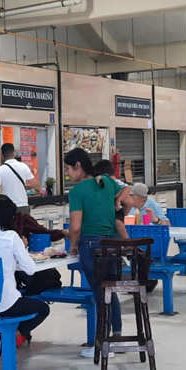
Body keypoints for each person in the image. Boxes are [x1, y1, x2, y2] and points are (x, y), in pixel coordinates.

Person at [65, 148, 124, 358]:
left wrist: (73, 243)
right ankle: (116, 337)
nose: (68, 174)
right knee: (110, 290)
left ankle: (103, 343)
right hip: (112, 243)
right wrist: (116, 206)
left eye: (68, 169)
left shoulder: (77, 192)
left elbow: (75, 226)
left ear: (78, 166)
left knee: (99, 293)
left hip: (91, 245)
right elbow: (126, 195)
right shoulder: (106, 182)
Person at [0, 195, 50, 348]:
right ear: (11, 217)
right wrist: (23, 247)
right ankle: (12, 336)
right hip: (6, 304)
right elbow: (30, 270)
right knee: (43, 309)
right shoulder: (12, 237)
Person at [0, 143, 41, 213]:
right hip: (23, 206)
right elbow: (36, 185)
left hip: (8, 207)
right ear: (13, 153)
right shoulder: (23, 166)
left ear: (2, 155)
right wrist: (38, 191)